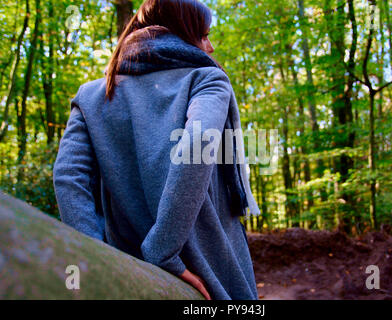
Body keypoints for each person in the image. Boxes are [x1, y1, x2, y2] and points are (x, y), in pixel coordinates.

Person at [53, 0, 261, 300]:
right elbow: (198, 143)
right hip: (208, 268)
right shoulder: (206, 78)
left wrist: (95, 258)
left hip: (126, 269)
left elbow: (69, 178)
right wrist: (163, 252)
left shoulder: (92, 96)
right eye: (203, 34)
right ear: (182, 34)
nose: (210, 46)